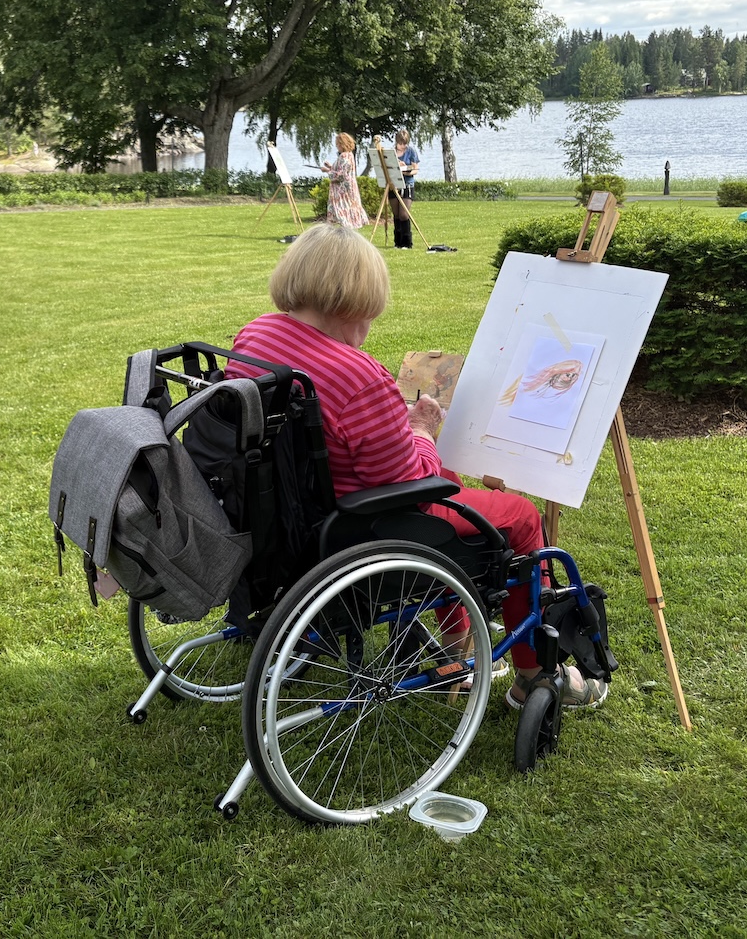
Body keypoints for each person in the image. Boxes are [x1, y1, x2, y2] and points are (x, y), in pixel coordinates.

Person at [226, 224, 608, 709]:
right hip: (357, 525)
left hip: (285, 512)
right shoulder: (358, 375)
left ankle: (458, 638)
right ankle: (532, 675)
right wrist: (423, 433)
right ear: (353, 301)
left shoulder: (258, 333)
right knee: (519, 516)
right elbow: (416, 485)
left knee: (457, 490)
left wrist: (397, 428)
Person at [320, 132, 368, 229]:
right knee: (346, 215)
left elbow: (341, 175)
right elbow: (343, 170)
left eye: (338, 144)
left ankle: (345, 235)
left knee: (343, 215)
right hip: (349, 190)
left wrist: (327, 171)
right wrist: (330, 167)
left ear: (342, 144)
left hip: (342, 193)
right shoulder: (350, 155)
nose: (337, 146)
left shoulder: (344, 156)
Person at [390, 128, 420, 249]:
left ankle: (407, 242)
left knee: (404, 214)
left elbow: (415, 169)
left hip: (407, 184)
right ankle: (398, 242)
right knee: (396, 214)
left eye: (404, 143)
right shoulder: (391, 152)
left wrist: (405, 168)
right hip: (394, 184)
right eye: (400, 143)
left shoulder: (411, 151)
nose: (402, 146)